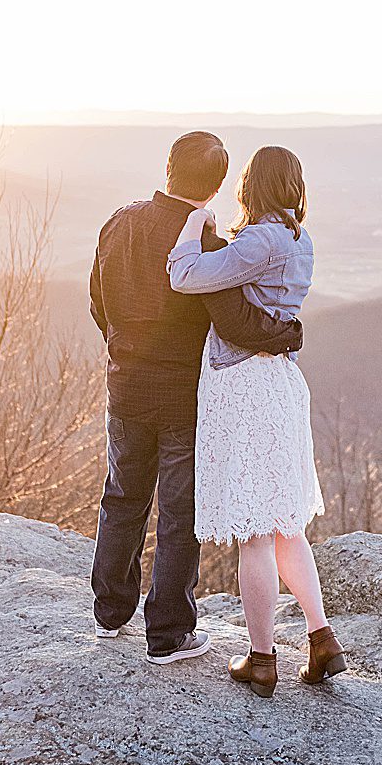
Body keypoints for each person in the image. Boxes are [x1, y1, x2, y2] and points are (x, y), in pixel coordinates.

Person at [87, 131, 305, 664]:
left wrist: (125, 349)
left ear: (168, 168)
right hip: (185, 396)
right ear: (216, 186)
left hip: (126, 385)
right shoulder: (204, 241)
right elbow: (237, 322)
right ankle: (168, 634)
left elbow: (98, 300)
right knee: (179, 512)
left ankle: (111, 612)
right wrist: (288, 333)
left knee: (123, 497)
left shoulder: (120, 221)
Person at [166, 144, 346, 697]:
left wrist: (194, 226)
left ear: (253, 185)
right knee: (285, 525)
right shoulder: (298, 238)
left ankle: (262, 657)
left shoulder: (259, 239)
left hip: (244, 387)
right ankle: (321, 640)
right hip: (281, 384)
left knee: (253, 533)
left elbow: (185, 275)